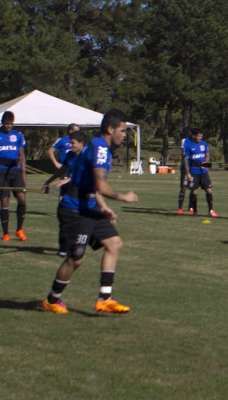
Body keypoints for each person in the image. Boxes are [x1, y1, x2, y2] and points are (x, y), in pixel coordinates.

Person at [42, 109, 139, 314]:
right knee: (75, 259)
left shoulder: (98, 146)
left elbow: (92, 185)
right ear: (110, 129)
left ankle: (105, 298)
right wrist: (123, 197)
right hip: (75, 209)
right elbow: (101, 186)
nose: (124, 134)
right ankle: (52, 299)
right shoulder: (100, 148)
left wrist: (103, 207)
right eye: (122, 130)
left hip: (90, 205)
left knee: (114, 243)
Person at [0, 111, 28, 241]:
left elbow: (22, 155)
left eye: (11, 124)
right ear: (2, 123)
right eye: (7, 123)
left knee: (21, 198)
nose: (9, 126)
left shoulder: (18, 135)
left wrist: (23, 172)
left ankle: (19, 230)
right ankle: (6, 233)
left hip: (15, 170)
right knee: (4, 200)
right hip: (1, 170)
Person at [45, 131, 87, 256]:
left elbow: (84, 176)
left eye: (73, 143)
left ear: (81, 143)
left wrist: (66, 180)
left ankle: (76, 248)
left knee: (81, 222)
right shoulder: (70, 155)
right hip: (70, 190)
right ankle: (64, 248)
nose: (70, 146)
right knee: (64, 215)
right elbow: (62, 170)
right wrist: (48, 182)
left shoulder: (88, 156)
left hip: (83, 192)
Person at [179, 129, 216, 217]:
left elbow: (207, 156)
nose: (200, 138)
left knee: (208, 190)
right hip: (194, 171)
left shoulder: (204, 144)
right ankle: (195, 211)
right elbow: (186, 159)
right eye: (198, 136)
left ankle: (211, 210)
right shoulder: (189, 145)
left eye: (201, 136)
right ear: (194, 136)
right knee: (194, 191)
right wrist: (188, 173)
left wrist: (206, 163)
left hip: (203, 172)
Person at [43, 123, 81, 194]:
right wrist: (56, 163)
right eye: (76, 131)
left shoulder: (79, 143)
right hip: (65, 168)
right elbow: (50, 151)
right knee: (64, 191)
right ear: (70, 131)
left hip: (74, 167)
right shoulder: (62, 140)